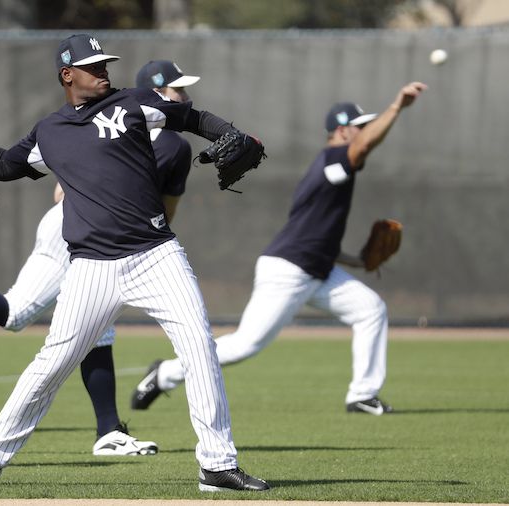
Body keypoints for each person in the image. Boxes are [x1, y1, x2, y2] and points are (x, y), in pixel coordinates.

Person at [0, 34, 270, 492]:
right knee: (53, 363)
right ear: (67, 75)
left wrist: (230, 133)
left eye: (105, 62)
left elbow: (191, 116)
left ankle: (217, 465)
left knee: (199, 349)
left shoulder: (133, 103)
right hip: (91, 267)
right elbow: (3, 165)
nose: (103, 69)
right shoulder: (50, 132)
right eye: (93, 65)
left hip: (156, 254)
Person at [0, 59, 200, 456]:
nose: (184, 96)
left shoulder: (112, 123)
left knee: (92, 328)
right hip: (83, 233)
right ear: (154, 95)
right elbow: (163, 212)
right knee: (25, 315)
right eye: (177, 90)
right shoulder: (170, 143)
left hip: (86, 228)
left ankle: (108, 431)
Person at [131, 82, 427, 416]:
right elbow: (363, 147)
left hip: (318, 270)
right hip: (288, 270)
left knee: (371, 309)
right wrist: (397, 107)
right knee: (246, 344)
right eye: (359, 127)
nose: (364, 133)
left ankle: (362, 395)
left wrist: (357, 261)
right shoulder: (334, 159)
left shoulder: (337, 170)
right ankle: (166, 373)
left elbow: (317, 238)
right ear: (342, 131)